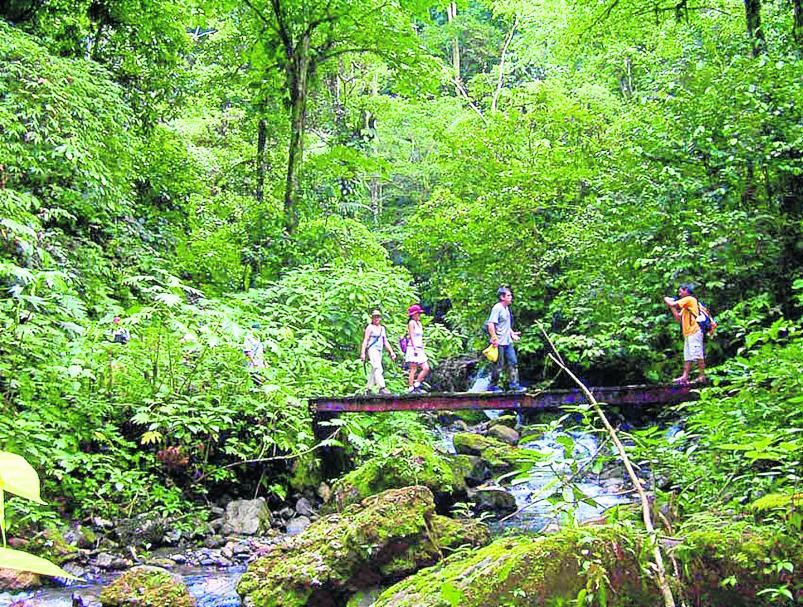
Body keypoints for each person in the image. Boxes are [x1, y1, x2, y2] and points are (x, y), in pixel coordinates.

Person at [663, 283, 708, 384]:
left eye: (680, 291)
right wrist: (671, 306)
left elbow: (672, 304)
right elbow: (679, 318)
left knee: (697, 354)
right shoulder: (685, 306)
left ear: (686, 291)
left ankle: (702, 375)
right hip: (688, 332)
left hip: (695, 330)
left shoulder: (690, 299)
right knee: (687, 356)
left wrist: (666, 299)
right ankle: (685, 376)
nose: (679, 293)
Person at [486, 286, 522, 392]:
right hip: (499, 342)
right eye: (509, 295)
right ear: (502, 297)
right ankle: (492, 386)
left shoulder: (506, 308)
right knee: (499, 365)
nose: (511, 297)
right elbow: (490, 324)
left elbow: (506, 324)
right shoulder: (497, 308)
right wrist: (494, 338)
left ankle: (514, 386)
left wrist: (512, 334)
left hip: (507, 341)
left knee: (513, 362)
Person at [360, 310, 397, 395]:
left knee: (374, 369)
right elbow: (365, 340)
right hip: (372, 349)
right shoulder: (370, 327)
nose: (376, 318)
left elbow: (385, 341)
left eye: (378, 317)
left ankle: (368, 388)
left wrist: (391, 352)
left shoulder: (382, 328)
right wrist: (363, 353)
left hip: (379, 350)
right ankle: (382, 387)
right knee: (377, 367)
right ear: (372, 318)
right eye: (375, 317)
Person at [405, 304, 430, 393]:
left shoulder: (419, 323)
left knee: (426, 367)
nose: (419, 315)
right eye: (417, 314)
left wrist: (422, 347)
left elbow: (420, 337)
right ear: (413, 314)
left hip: (420, 348)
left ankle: (417, 384)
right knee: (413, 368)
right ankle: (411, 387)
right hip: (413, 347)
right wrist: (415, 348)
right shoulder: (411, 323)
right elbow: (411, 336)